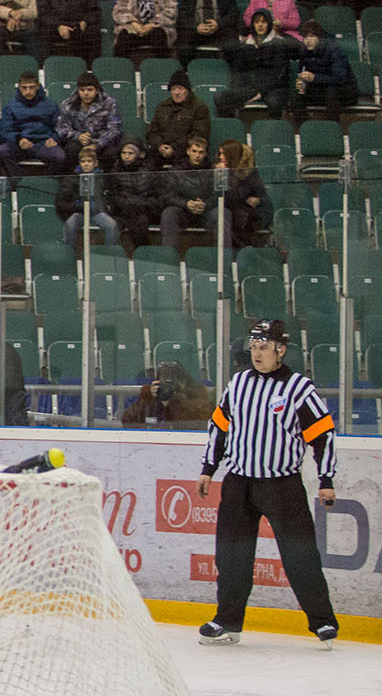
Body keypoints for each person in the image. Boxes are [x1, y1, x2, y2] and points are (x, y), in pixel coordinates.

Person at [197, 319, 340, 646]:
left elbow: (322, 435)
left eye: (264, 347)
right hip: (239, 484)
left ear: (281, 350)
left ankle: (322, 622)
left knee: (300, 555)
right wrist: (208, 468)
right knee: (231, 557)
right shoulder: (238, 384)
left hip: (282, 485)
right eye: (253, 347)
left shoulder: (299, 389)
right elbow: (219, 427)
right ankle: (227, 622)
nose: (257, 353)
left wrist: (326, 479)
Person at [216, 8, 294, 119]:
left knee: (274, 102)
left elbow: (279, 76)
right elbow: (238, 71)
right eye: (257, 22)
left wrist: (261, 92)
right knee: (220, 97)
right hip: (250, 88)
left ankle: (272, 127)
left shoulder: (279, 44)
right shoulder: (246, 46)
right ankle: (234, 123)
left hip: (272, 88)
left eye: (263, 22)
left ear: (269, 24)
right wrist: (239, 91)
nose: (260, 25)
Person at [0, 69, 64, 186]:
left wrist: (55, 138)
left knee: (60, 156)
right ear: (19, 87)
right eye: (24, 88)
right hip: (21, 144)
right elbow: (5, 130)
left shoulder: (51, 105)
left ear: (38, 86)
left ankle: (49, 185)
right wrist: (19, 139)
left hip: (44, 144)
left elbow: (60, 127)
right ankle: (18, 185)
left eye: (31, 87)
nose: (28, 91)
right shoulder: (10, 106)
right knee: (3, 150)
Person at [158, 135, 223, 251]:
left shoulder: (213, 170)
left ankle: (222, 256)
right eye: (194, 151)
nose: (197, 155)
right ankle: (168, 255)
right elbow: (168, 196)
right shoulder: (176, 170)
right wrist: (186, 203)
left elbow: (219, 195)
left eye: (201, 152)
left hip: (207, 211)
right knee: (169, 213)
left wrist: (206, 204)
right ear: (188, 151)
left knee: (221, 214)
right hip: (184, 211)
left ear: (206, 154)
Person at [111, 0, 175, 65]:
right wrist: (133, 23)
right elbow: (119, 10)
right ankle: (120, 68)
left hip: (156, 28)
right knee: (123, 36)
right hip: (134, 28)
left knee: (159, 35)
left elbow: (171, 10)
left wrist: (152, 24)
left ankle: (161, 68)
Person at [175, 0, 238, 65]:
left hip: (219, 30)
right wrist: (196, 26)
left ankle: (230, 73)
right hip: (194, 30)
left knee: (233, 45)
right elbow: (180, 16)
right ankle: (186, 72)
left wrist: (218, 24)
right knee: (183, 45)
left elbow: (233, 14)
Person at [287, 21, 353, 120]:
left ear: (320, 37)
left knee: (331, 91)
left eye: (311, 36)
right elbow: (302, 72)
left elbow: (340, 78)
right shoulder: (304, 51)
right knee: (296, 95)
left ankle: (332, 125)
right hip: (319, 89)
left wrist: (315, 78)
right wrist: (302, 83)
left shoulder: (334, 50)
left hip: (343, 91)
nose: (307, 41)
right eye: (305, 37)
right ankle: (304, 125)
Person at [58, 145, 118, 251]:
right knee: (70, 224)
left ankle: (110, 254)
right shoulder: (72, 178)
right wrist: (76, 205)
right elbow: (64, 199)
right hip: (79, 212)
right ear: (79, 163)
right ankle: (70, 253)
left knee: (112, 225)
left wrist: (107, 207)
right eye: (83, 161)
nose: (86, 164)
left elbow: (110, 195)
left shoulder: (103, 178)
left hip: (97, 212)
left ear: (95, 163)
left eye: (89, 161)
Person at [55, 71, 120, 168]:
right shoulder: (68, 104)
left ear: (96, 90)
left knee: (111, 153)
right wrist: (78, 136)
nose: (86, 93)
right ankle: (75, 176)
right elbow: (61, 129)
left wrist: (97, 145)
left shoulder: (109, 103)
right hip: (78, 141)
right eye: (82, 90)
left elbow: (114, 130)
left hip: (101, 141)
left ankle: (102, 177)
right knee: (71, 149)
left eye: (90, 90)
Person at [146, 69, 209, 170]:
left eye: (180, 88)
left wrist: (174, 147)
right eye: (173, 89)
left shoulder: (199, 107)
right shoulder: (162, 106)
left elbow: (199, 134)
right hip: (160, 152)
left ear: (187, 90)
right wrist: (159, 146)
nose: (176, 92)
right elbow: (152, 132)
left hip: (184, 153)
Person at [120, 359, 213, 426]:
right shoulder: (150, 400)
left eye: (172, 380)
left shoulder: (195, 400)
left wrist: (178, 400)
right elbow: (127, 421)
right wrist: (147, 397)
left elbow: (200, 425)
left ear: (183, 381)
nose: (168, 385)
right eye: (164, 379)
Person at [217, 138, 271, 250]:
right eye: (220, 153)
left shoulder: (248, 172)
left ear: (231, 155)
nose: (220, 157)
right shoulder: (219, 171)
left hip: (250, 214)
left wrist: (255, 200)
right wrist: (223, 174)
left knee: (242, 217)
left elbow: (254, 194)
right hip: (230, 211)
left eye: (223, 154)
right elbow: (225, 196)